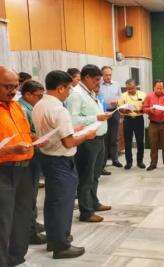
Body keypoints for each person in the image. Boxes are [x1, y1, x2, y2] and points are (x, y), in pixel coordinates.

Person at [33, 70, 97, 259]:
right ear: (60, 88)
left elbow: (54, 130)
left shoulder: (40, 104)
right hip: (61, 161)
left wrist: (73, 129)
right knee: (63, 203)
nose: (70, 91)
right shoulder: (59, 109)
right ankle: (61, 246)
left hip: (47, 157)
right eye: (68, 88)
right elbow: (68, 142)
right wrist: (86, 134)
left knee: (52, 202)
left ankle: (54, 239)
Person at [66, 64, 112, 223]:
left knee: (95, 175)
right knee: (86, 177)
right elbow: (73, 120)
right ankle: (86, 211)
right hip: (87, 141)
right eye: (97, 80)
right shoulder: (76, 95)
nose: (99, 83)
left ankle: (94, 202)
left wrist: (101, 115)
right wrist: (96, 118)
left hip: (99, 139)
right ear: (86, 78)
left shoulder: (90, 92)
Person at [0, 66, 35, 267]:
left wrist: (37, 140)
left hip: (24, 169)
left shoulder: (15, 106)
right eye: (7, 86)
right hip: (3, 172)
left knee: (22, 216)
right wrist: (9, 150)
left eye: (16, 86)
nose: (13, 91)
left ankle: (16, 259)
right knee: (3, 222)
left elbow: (24, 133)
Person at [18, 80, 46, 245]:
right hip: (28, 156)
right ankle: (30, 232)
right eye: (38, 96)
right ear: (27, 94)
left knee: (32, 193)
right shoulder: (22, 108)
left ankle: (31, 224)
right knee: (28, 195)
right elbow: (28, 134)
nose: (40, 99)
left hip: (33, 154)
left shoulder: (30, 107)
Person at [143, 79, 164, 171]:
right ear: (154, 88)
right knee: (153, 145)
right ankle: (153, 163)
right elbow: (144, 109)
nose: (160, 90)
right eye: (158, 88)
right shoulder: (149, 96)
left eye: (161, 88)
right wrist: (150, 110)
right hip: (153, 124)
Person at [118, 79, 146, 170]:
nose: (130, 90)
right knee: (128, 142)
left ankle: (140, 161)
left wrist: (141, 110)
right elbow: (120, 109)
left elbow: (146, 107)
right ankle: (129, 162)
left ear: (136, 86)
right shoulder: (122, 96)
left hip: (139, 119)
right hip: (128, 120)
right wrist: (124, 110)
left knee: (140, 141)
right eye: (128, 89)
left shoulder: (143, 95)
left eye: (132, 88)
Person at [99, 66, 123, 168]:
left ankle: (115, 159)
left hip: (114, 112)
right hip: (103, 113)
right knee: (104, 138)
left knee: (114, 138)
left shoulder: (116, 84)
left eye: (110, 75)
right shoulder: (98, 85)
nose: (108, 77)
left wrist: (117, 102)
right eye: (106, 75)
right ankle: (102, 163)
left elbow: (121, 98)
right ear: (102, 75)